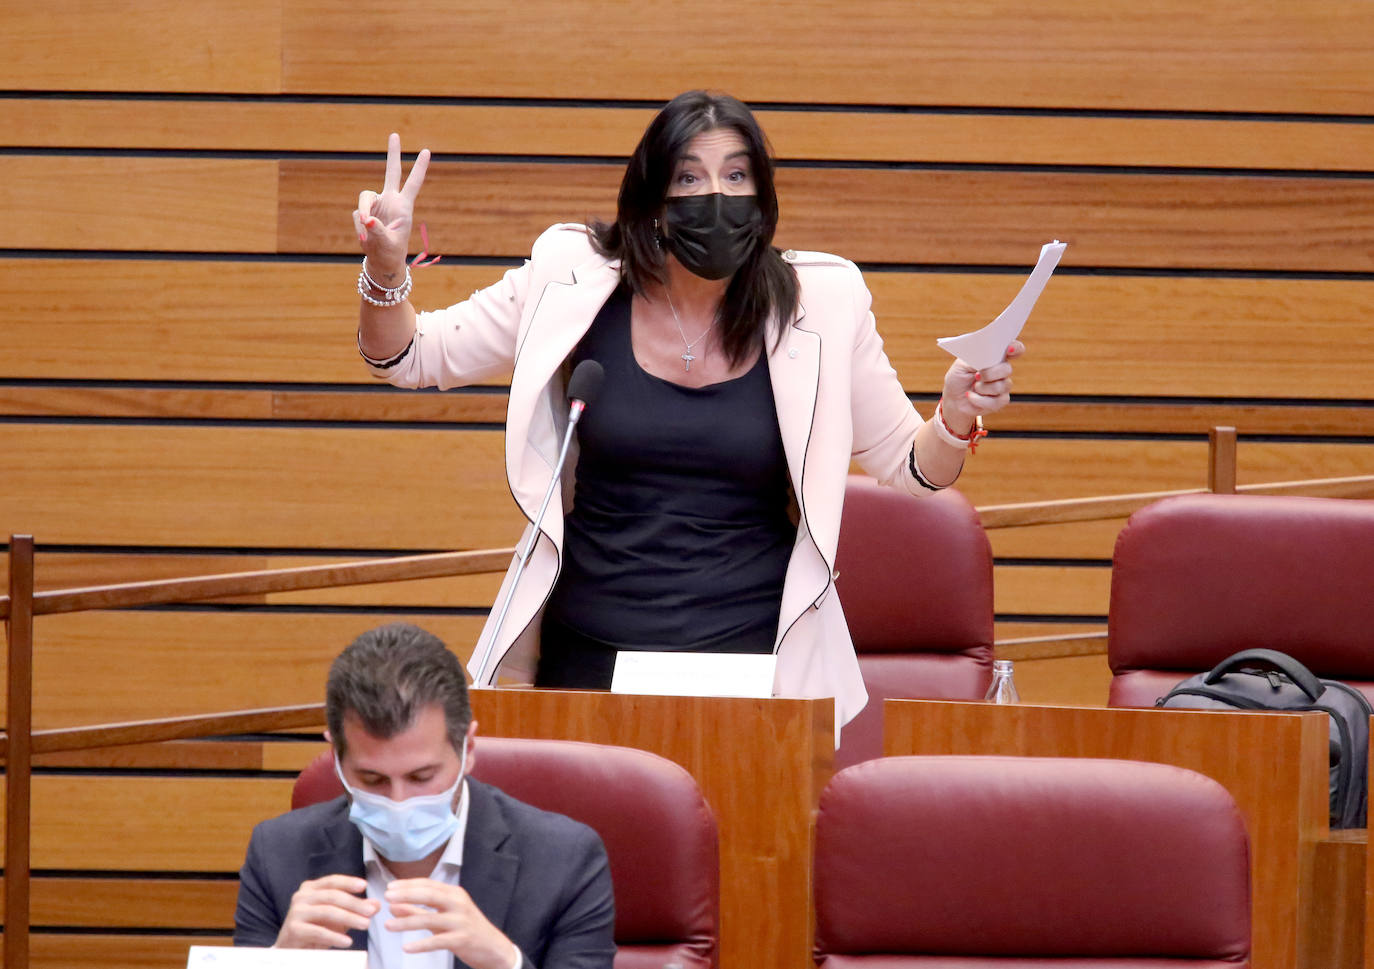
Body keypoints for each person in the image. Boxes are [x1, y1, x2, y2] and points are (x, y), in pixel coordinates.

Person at [352, 90, 1022, 728]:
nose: (716, 197)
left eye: (736, 176)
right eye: (689, 179)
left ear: (762, 197)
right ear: (652, 199)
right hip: (588, 654)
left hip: (758, 662)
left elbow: (910, 466)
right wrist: (385, 270)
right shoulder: (570, 276)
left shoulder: (822, 301)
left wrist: (958, 416)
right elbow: (409, 354)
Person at [233, 622, 616, 969]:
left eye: (422, 776)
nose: (399, 801)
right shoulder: (278, 856)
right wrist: (280, 962)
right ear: (336, 757)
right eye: (372, 778)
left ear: (467, 749)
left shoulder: (565, 861)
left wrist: (505, 963)